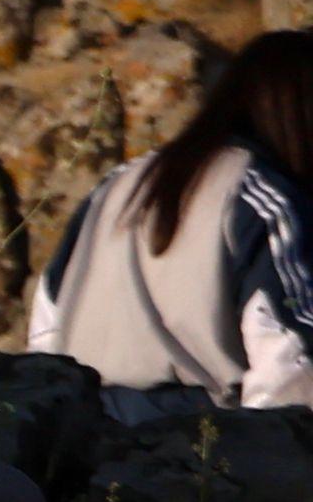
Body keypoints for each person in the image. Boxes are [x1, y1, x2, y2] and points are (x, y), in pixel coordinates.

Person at [33, 34, 313, 411]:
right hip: (196, 431)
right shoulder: (262, 196)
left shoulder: (120, 184)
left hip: (85, 422)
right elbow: (290, 363)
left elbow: (47, 324)